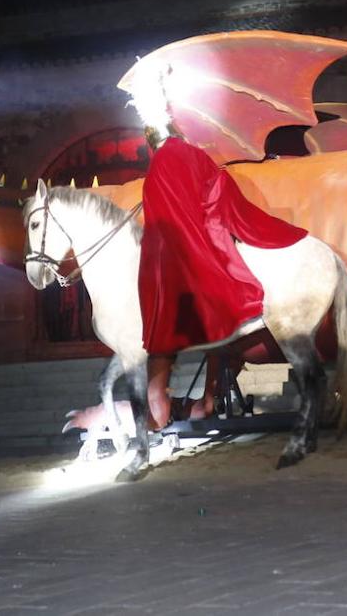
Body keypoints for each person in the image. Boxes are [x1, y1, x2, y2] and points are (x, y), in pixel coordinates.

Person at [130, 66, 307, 426]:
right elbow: (216, 195)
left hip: (170, 264)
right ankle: (204, 401)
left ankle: (161, 411)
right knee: (215, 337)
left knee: (162, 343)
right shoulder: (195, 156)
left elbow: (167, 220)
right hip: (195, 250)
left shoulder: (162, 164)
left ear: (151, 138)